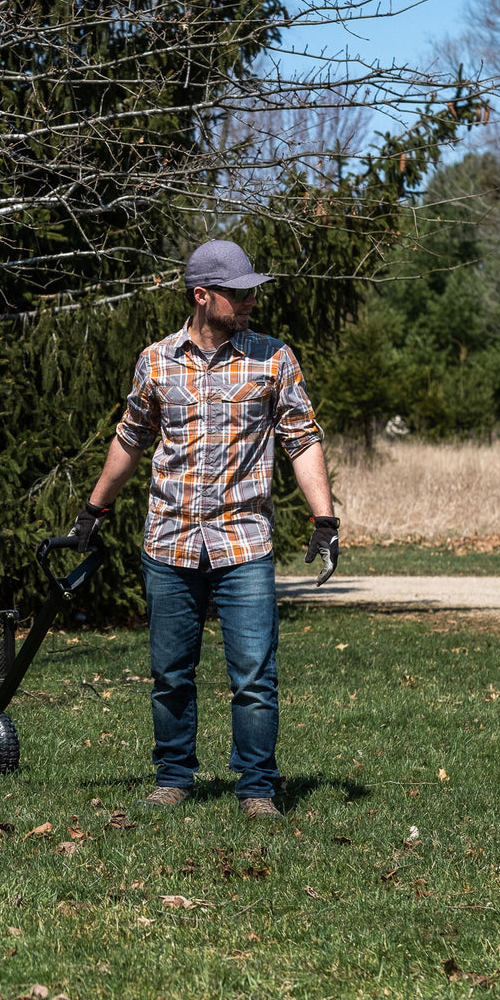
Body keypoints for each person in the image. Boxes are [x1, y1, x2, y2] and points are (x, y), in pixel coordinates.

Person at [69, 239, 340, 821]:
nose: (248, 302)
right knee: (170, 675)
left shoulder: (274, 359)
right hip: (169, 541)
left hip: (244, 542)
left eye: (250, 292)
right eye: (237, 293)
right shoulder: (156, 361)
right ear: (202, 295)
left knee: (255, 677)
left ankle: (257, 789)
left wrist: (325, 517)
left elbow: (302, 438)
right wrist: (93, 512)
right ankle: (173, 777)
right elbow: (130, 438)